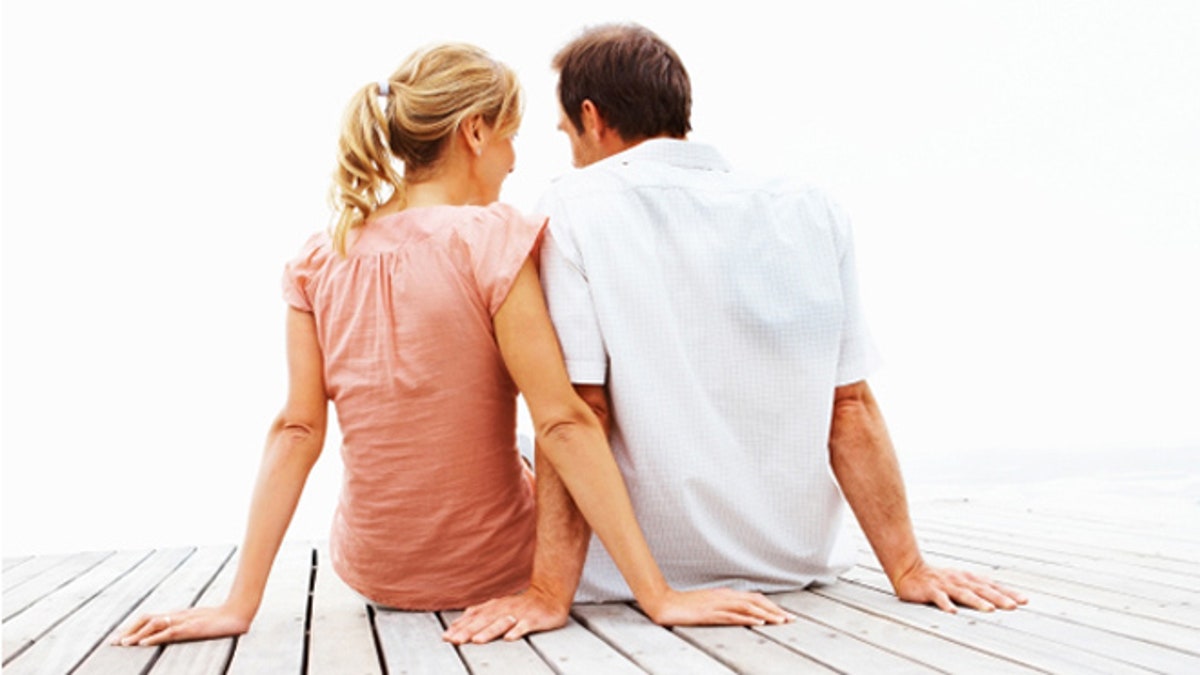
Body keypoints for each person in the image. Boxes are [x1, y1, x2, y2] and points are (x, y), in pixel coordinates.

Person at [116, 41, 789, 648]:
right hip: (494, 567)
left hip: (373, 572)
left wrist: (240, 603)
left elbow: (296, 429)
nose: (516, 159)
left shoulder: (318, 259)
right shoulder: (491, 236)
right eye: (510, 137)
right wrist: (659, 595)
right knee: (570, 434)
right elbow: (560, 419)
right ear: (474, 132)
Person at [444, 23, 1027, 644]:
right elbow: (848, 406)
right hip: (793, 567)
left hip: (634, 577)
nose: (570, 152)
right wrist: (907, 568)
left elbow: (582, 413)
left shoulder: (572, 206)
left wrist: (546, 594)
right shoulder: (809, 206)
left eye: (566, 134)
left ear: (592, 118)